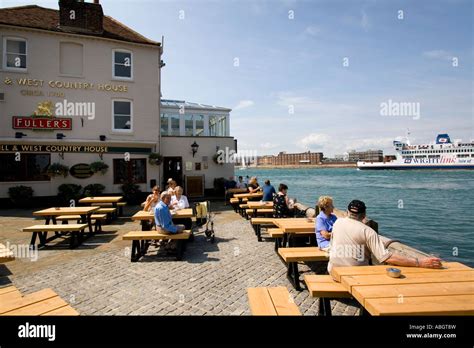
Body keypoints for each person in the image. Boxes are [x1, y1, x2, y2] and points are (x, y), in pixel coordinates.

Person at [328, 199, 442, 278]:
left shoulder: (337, 222)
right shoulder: (367, 231)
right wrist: (419, 262)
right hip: (355, 276)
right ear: (364, 215)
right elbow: (387, 257)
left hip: (333, 271)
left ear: (347, 212)